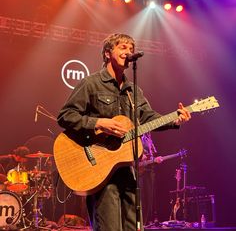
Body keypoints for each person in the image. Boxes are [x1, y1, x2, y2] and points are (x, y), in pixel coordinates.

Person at [57, 33, 191, 231]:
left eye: (131, 49)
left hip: (126, 170)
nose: (128, 52)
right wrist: (100, 123)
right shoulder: (91, 83)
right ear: (107, 53)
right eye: (123, 47)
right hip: (99, 170)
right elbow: (65, 116)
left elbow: (149, 118)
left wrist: (175, 119)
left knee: (133, 226)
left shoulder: (133, 90)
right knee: (109, 226)